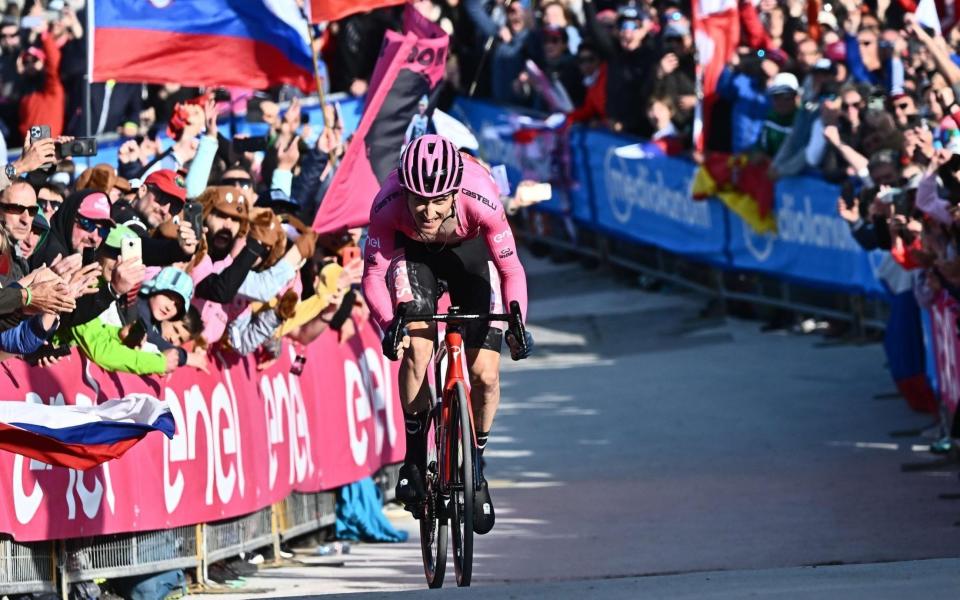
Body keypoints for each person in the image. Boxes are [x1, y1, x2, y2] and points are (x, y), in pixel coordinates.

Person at [362, 134, 533, 535]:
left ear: (455, 191)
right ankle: (415, 458)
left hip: (470, 257)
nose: (427, 209)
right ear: (404, 189)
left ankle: (477, 464)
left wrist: (517, 323)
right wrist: (390, 325)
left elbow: (510, 271)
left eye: (438, 200)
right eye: (418, 199)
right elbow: (371, 275)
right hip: (415, 257)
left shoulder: (482, 197)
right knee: (418, 349)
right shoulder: (387, 204)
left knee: (486, 374)